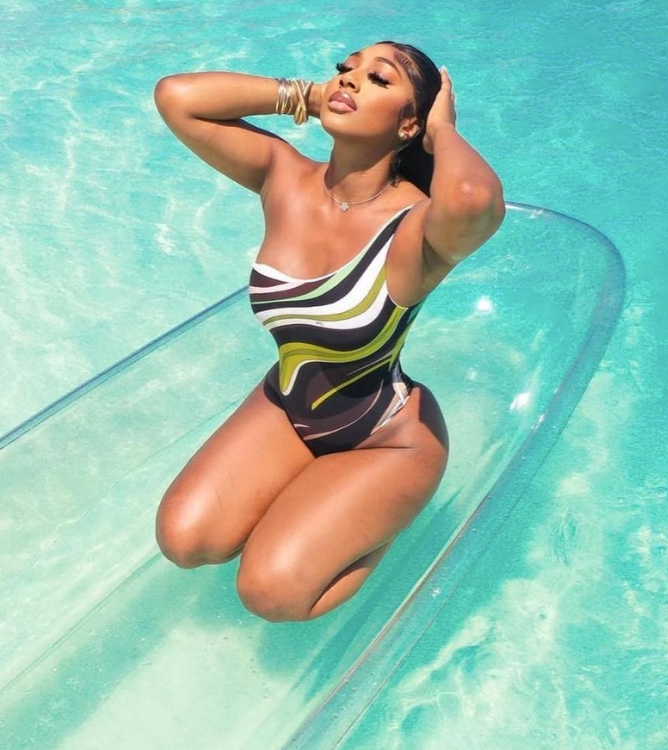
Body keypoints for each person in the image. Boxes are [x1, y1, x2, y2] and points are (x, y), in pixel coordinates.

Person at [153, 41, 504, 622]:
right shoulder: (284, 178)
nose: (349, 79)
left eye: (378, 79)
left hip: (384, 437)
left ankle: (378, 523)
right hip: (288, 407)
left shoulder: (416, 226)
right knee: (185, 541)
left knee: (270, 593)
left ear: (409, 123)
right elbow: (177, 97)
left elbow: (474, 198)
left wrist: (441, 130)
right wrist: (311, 97)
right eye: (345, 69)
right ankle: (314, 496)